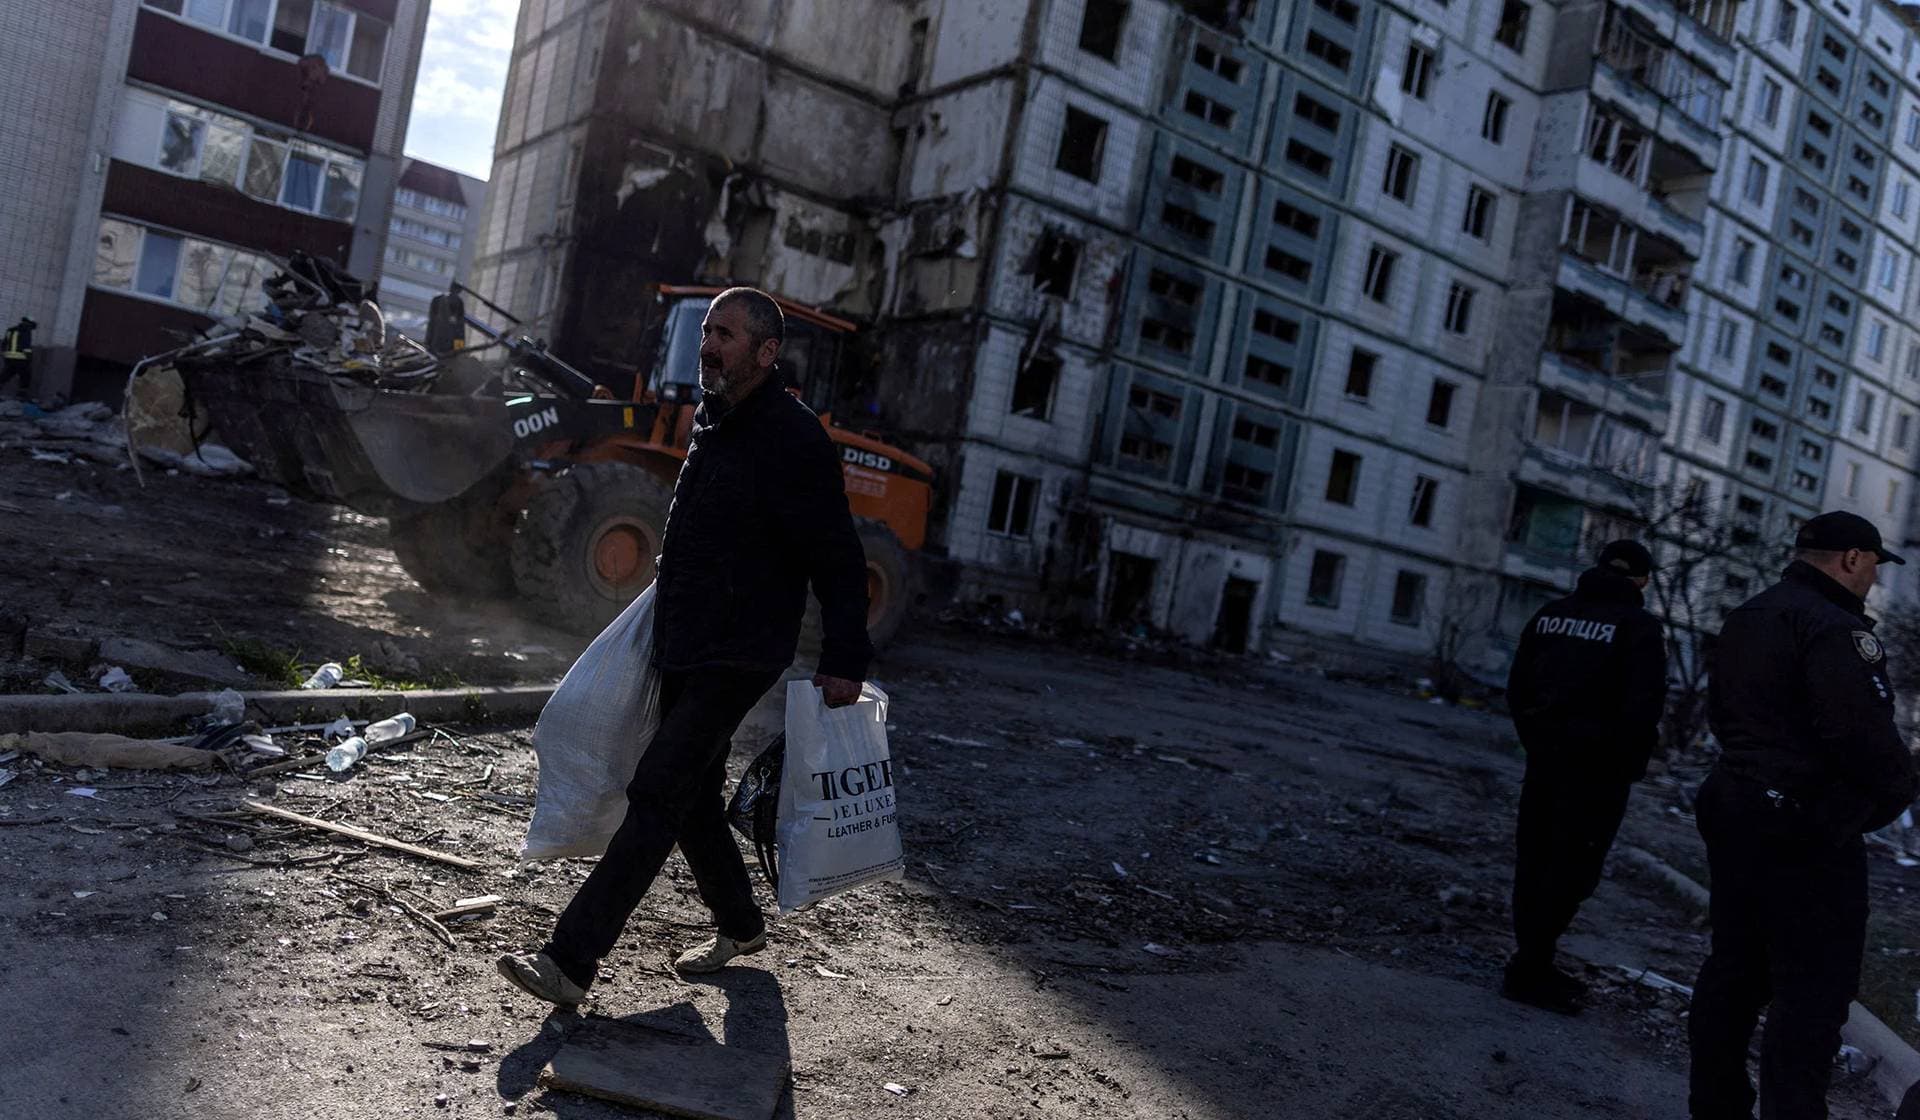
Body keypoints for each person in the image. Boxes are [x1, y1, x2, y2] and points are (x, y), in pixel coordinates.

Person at [498, 287, 873, 1006]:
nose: (709, 345)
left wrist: (846, 659)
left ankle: (570, 961)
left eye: (725, 334)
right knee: (694, 793)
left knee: (658, 789)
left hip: (741, 649)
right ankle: (739, 922)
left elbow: (838, 555)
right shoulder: (712, 417)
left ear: (766, 352)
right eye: (707, 331)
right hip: (684, 637)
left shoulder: (795, 439)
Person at [1689, 511, 1919, 1120]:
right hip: (1803, 824)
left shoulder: (1753, 613)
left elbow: (1725, 713)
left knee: (1735, 967)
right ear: (1851, 559)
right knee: (1812, 991)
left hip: (1736, 801)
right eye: (1872, 564)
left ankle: (1715, 1106)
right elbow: (1862, 738)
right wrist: (1896, 789)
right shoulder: (1834, 627)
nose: (1874, 577)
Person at [1502, 539, 1667, 1014]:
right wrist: (1626, 764)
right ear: (1642, 580)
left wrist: (1538, 740)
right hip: (1597, 775)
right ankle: (1529, 969)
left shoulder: (1551, 615)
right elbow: (1644, 708)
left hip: (1546, 764)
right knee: (1574, 869)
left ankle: (1533, 958)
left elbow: (1518, 688)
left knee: (1535, 860)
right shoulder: (1639, 628)